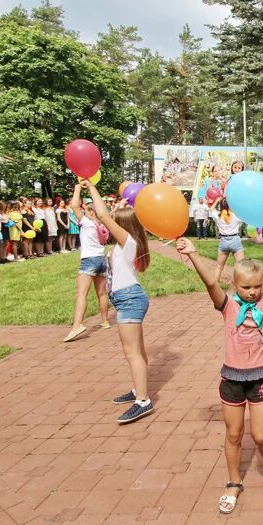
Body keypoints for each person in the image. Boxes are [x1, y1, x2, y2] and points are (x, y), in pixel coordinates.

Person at [176, 227, 263, 514]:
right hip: (232, 378)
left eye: (256, 286)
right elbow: (211, 282)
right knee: (233, 434)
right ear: (235, 285)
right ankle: (234, 482)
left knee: (260, 435)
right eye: (246, 287)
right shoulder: (227, 305)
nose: (252, 292)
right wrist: (193, 254)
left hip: (260, 374)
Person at [81, 180, 154, 424]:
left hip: (129, 299)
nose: (110, 221)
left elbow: (102, 215)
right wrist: (120, 206)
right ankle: (138, 389)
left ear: (121, 225)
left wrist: (91, 187)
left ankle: (143, 401)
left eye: (115, 220)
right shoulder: (127, 244)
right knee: (138, 351)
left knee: (131, 352)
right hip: (128, 299)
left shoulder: (128, 243)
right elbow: (108, 215)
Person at [64, 186, 111, 342]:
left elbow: (74, 206)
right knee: (102, 293)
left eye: (87, 211)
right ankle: (104, 321)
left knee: (82, 293)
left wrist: (77, 188)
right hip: (101, 259)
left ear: (91, 213)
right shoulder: (103, 225)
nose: (83, 213)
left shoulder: (87, 223)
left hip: (89, 259)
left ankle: (77, 325)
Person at [209, 197, 244, 281]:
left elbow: (211, 209)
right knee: (241, 265)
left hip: (223, 241)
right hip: (235, 239)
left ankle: (215, 286)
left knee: (219, 266)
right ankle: (237, 284)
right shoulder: (236, 215)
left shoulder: (218, 215)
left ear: (221, 205)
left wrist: (217, 200)